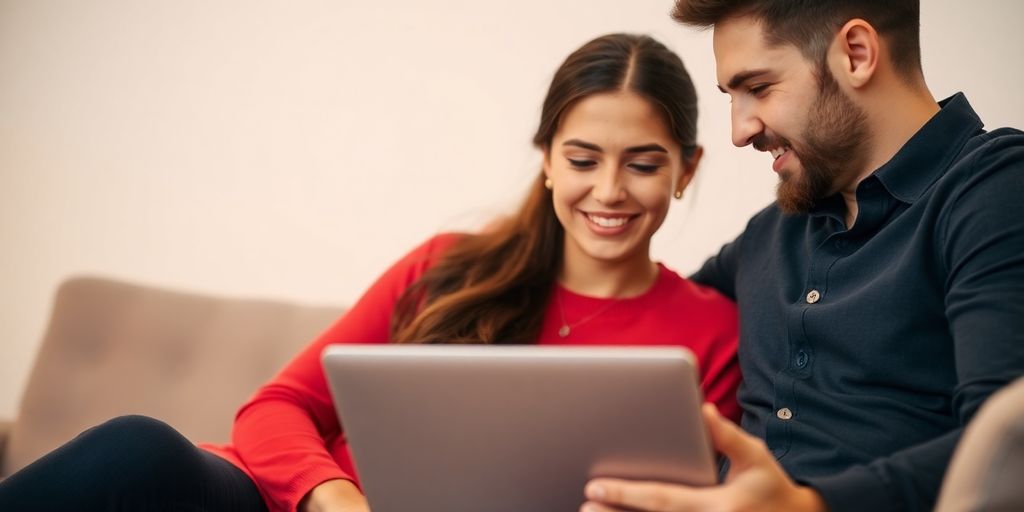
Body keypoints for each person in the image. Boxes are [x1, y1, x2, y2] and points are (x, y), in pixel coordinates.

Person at [0, 33, 741, 512]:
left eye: (643, 165)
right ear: (547, 159)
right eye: (582, 160)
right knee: (140, 450)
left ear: (685, 171)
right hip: (285, 505)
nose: (608, 191)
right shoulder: (450, 265)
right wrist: (336, 499)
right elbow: (274, 408)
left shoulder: (711, 331)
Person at [581, 2, 1024, 512]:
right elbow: (659, 308)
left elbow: (1006, 446)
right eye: (731, 97)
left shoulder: (994, 190)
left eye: (759, 89)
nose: (739, 130)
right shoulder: (774, 231)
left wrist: (807, 505)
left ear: (856, 54)